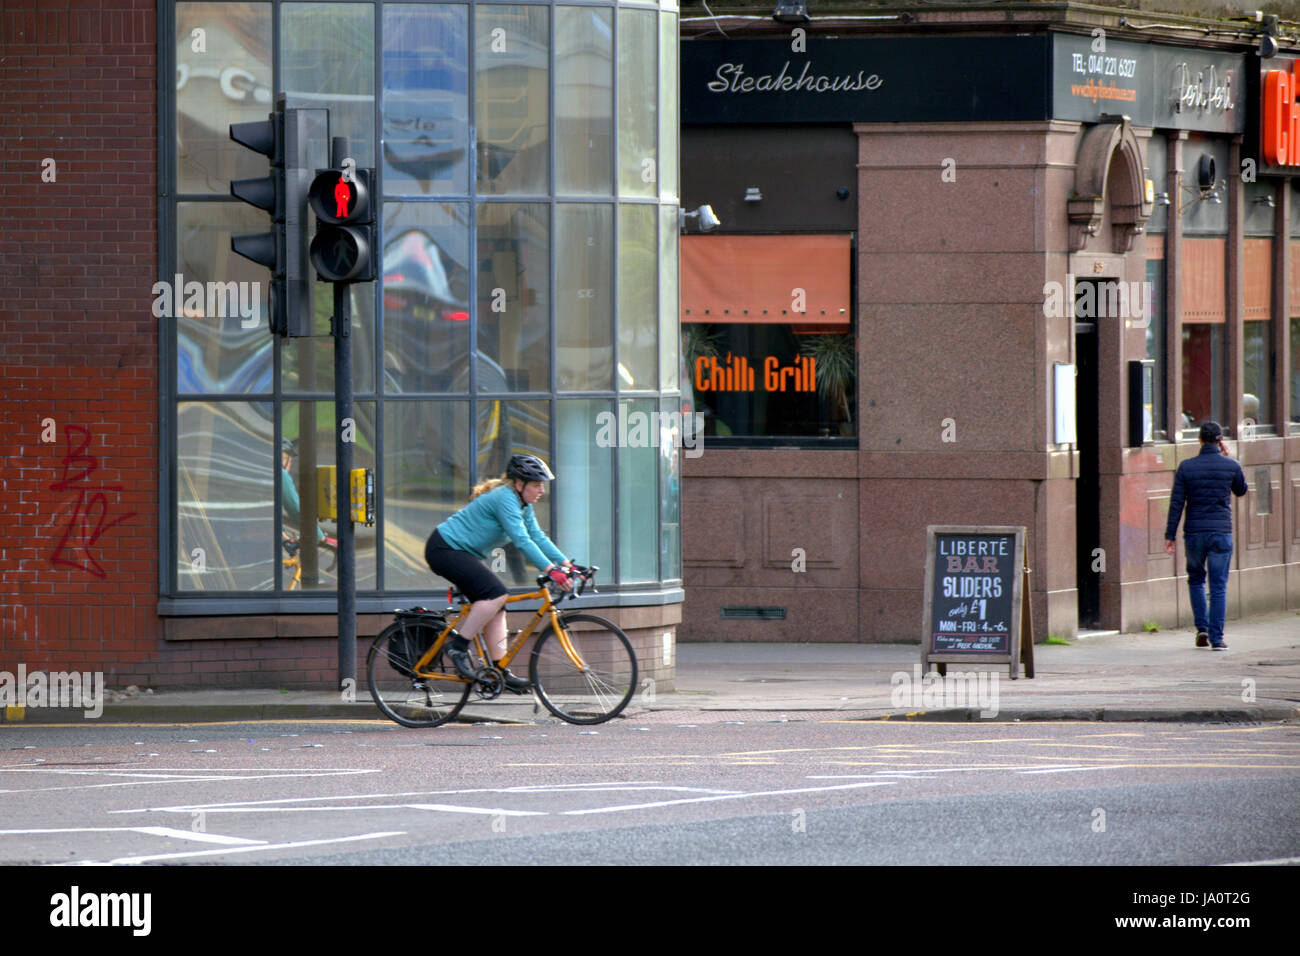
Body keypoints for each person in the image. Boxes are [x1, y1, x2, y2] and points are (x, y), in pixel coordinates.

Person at [425, 454, 576, 692]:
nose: (541, 491)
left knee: (497, 605)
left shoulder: (522, 503)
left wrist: (567, 565)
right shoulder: (505, 499)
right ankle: (458, 646)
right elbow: (522, 540)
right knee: (495, 594)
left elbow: (537, 536)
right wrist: (550, 570)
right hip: (445, 549)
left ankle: (498, 671)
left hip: (463, 553)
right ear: (519, 484)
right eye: (536, 485)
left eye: (542, 485)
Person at [1163, 421, 1247, 650]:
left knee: (1196, 579)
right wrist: (1230, 457)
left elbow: (1177, 503)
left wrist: (1170, 534)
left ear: (1199, 440)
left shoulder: (1186, 467)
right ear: (1220, 441)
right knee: (1218, 586)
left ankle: (1202, 629)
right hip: (1221, 532)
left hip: (1195, 532)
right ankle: (1217, 638)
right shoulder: (1231, 465)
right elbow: (1241, 490)